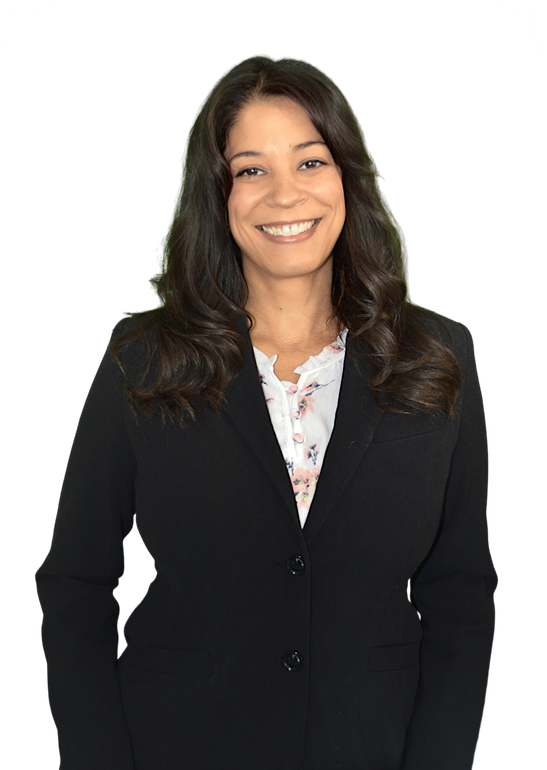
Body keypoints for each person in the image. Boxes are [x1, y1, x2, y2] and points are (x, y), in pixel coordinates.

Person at [35, 54, 497, 770]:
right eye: (251, 170)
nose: (285, 195)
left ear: (349, 177)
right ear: (217, 195)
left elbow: (459, 591)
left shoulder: (439, 355)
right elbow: (76, 585)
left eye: (309, 162)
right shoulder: (142, 360)